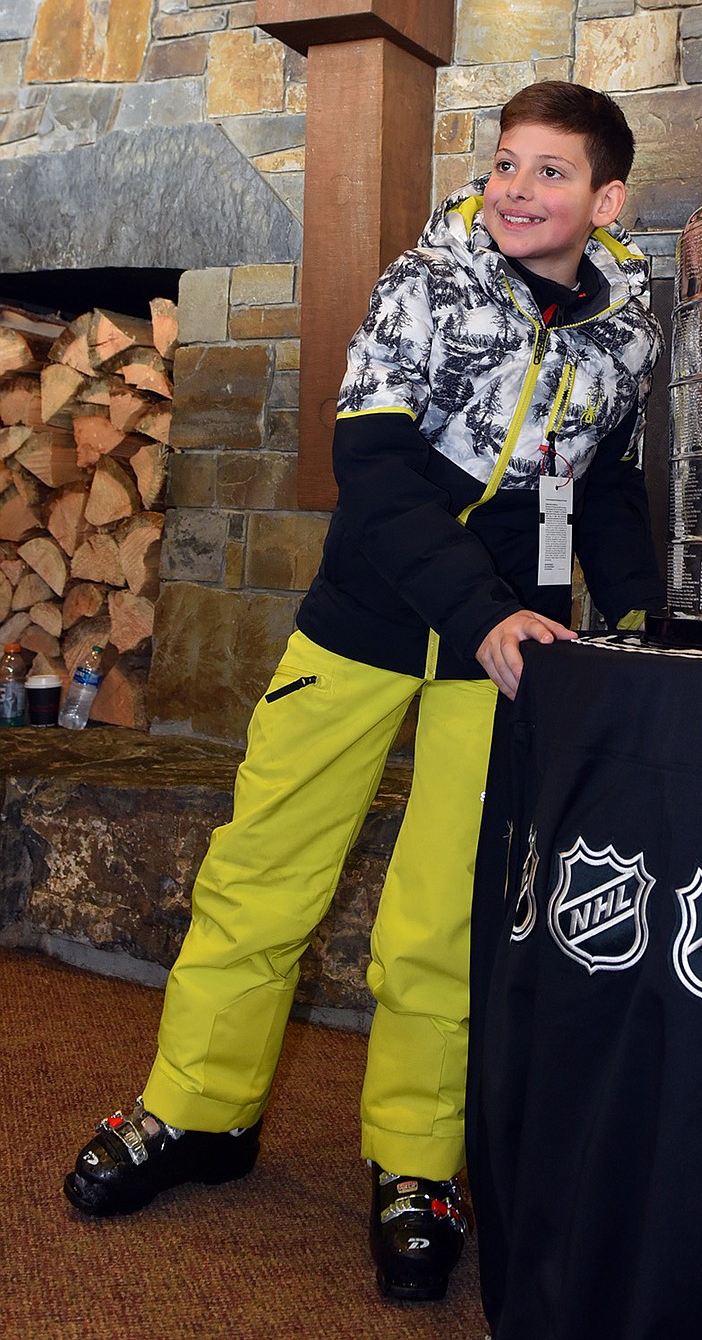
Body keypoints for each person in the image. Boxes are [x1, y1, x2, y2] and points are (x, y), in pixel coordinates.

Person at [62, 79, 665, 1302]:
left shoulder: (633, 322)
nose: (515, 188)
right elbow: (377, 473)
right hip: (368, 626)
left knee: (442, 919)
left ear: (606, 200)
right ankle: (198, 1111)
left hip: (511, 660)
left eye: (551, 172)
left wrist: (641, 622)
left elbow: (605, 485)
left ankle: (417, 1161)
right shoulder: (420, 284)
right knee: (257, 875)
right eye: (505, 163)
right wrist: (483, 607)